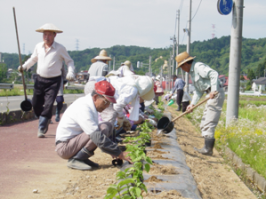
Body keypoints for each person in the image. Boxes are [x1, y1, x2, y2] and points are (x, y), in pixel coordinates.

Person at [55, 81, 131, 170]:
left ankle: (82, 157)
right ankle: (76, 159)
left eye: (109, 103)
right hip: (65, 147)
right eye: (105, 102)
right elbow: (96, 136)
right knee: (103, 128)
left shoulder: (90, 105)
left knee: (107, 126)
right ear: (95, 97)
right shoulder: (84, 107)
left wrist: (112, 151)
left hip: (73, 143)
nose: (107, 106)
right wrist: (119, 153)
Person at [18, 23, 75, 138]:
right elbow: (33, 59)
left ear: (54, 35)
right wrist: (24, 67)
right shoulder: (38, 46)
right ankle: (45, 118)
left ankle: (42, 127)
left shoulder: (60, 48)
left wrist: (70, 72)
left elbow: (69, 61)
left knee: (48, 104)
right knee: (35, 103)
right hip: (40, 79)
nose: (46, 37)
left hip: (54, 81)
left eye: (49, 35)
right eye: (45, 34)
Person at [175, 51, 225, 156]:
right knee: (204, 121)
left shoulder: (198, 67)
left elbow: (213, 74)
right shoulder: (192, 73)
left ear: (185, 64)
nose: (182, 69)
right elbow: (198, 91)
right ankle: (206, 147)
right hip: (209, 94)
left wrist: (214, 90)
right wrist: (192, 104)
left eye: (181, 67)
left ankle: (208, 149)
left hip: (215, 94)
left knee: (209, 121)